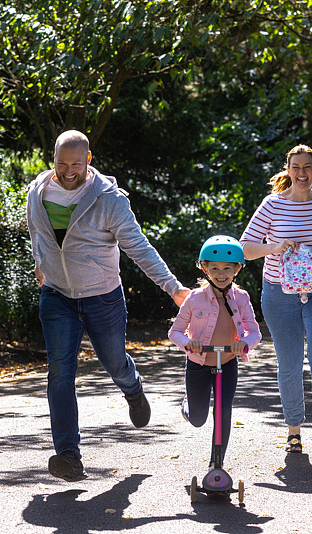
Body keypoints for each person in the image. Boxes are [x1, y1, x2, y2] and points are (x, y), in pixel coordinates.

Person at [26, 130, 190, 482]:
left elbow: (139, 247)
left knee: (115, 362)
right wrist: (40, 261)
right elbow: (35, 231)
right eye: (61, 163)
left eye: (76, 163)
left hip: (102, 296)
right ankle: (68, 455)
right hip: (57, 297)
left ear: (89, 159)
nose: (68, 171)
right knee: (60, 371)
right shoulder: (37, 191)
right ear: (52, 158)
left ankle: (132, 389)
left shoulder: (109, 200)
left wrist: (174, 289)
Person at [240, 144, 312, 460]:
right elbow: (245, 247)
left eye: (307, 167)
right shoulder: (272, 205)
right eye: (296, 167)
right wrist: (274, 247)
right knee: (289, 363)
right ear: (288, 171)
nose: (301, 173)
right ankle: (293, 432)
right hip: (279, 291)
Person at [168, 236, 261, 464]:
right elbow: (175, 332)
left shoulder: (241, 298)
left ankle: (216, 464)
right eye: (215, 268)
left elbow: (254, 332)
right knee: (198, 419)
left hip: (227, 362)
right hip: (198, 364)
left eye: (227, 268)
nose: (221, 274)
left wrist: (244, 343)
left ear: (237, 269)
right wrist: (189, 343)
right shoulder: (195, 299)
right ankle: (189, 405)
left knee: (223, 412)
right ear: (205, 268)